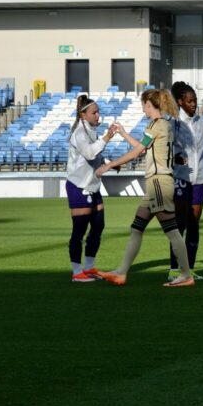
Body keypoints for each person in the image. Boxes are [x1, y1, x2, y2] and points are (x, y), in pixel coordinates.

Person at [97, 89, 194, 287]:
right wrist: (124, 133)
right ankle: (121, 272)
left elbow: (138, 152)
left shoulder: (156, 124)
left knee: (172, 231)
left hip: (159, 183)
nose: (142, 109)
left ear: (149, 104)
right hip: (156, 183)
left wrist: (109, 164)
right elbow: (144, 148)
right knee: (137, 228)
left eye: (143, 105)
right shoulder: (163, 124)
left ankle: (185, 275)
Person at [65, 95, 120, 282]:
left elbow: (94, 157)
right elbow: (89, 152)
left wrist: (109, 163)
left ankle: (88, 267)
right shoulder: (79, 133)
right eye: (94, 112)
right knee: (79, 230)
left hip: (92, 185)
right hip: (79, 185)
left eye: (98, 112)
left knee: (98, 226)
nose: (98, 116)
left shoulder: (91, 132)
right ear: (83, 115)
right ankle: (76, 271)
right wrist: (108, 136)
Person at [167, 81, 203, 282]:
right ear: (180, 102)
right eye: (190, 101)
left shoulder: (202, 122)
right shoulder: (173, 123)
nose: (194, 104)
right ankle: (173, 269)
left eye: (195, 101)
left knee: (194, 225)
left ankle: (189, 269)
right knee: (180, 225)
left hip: (198, 180)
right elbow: (166, 148)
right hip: (180, 177)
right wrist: (175, 158)